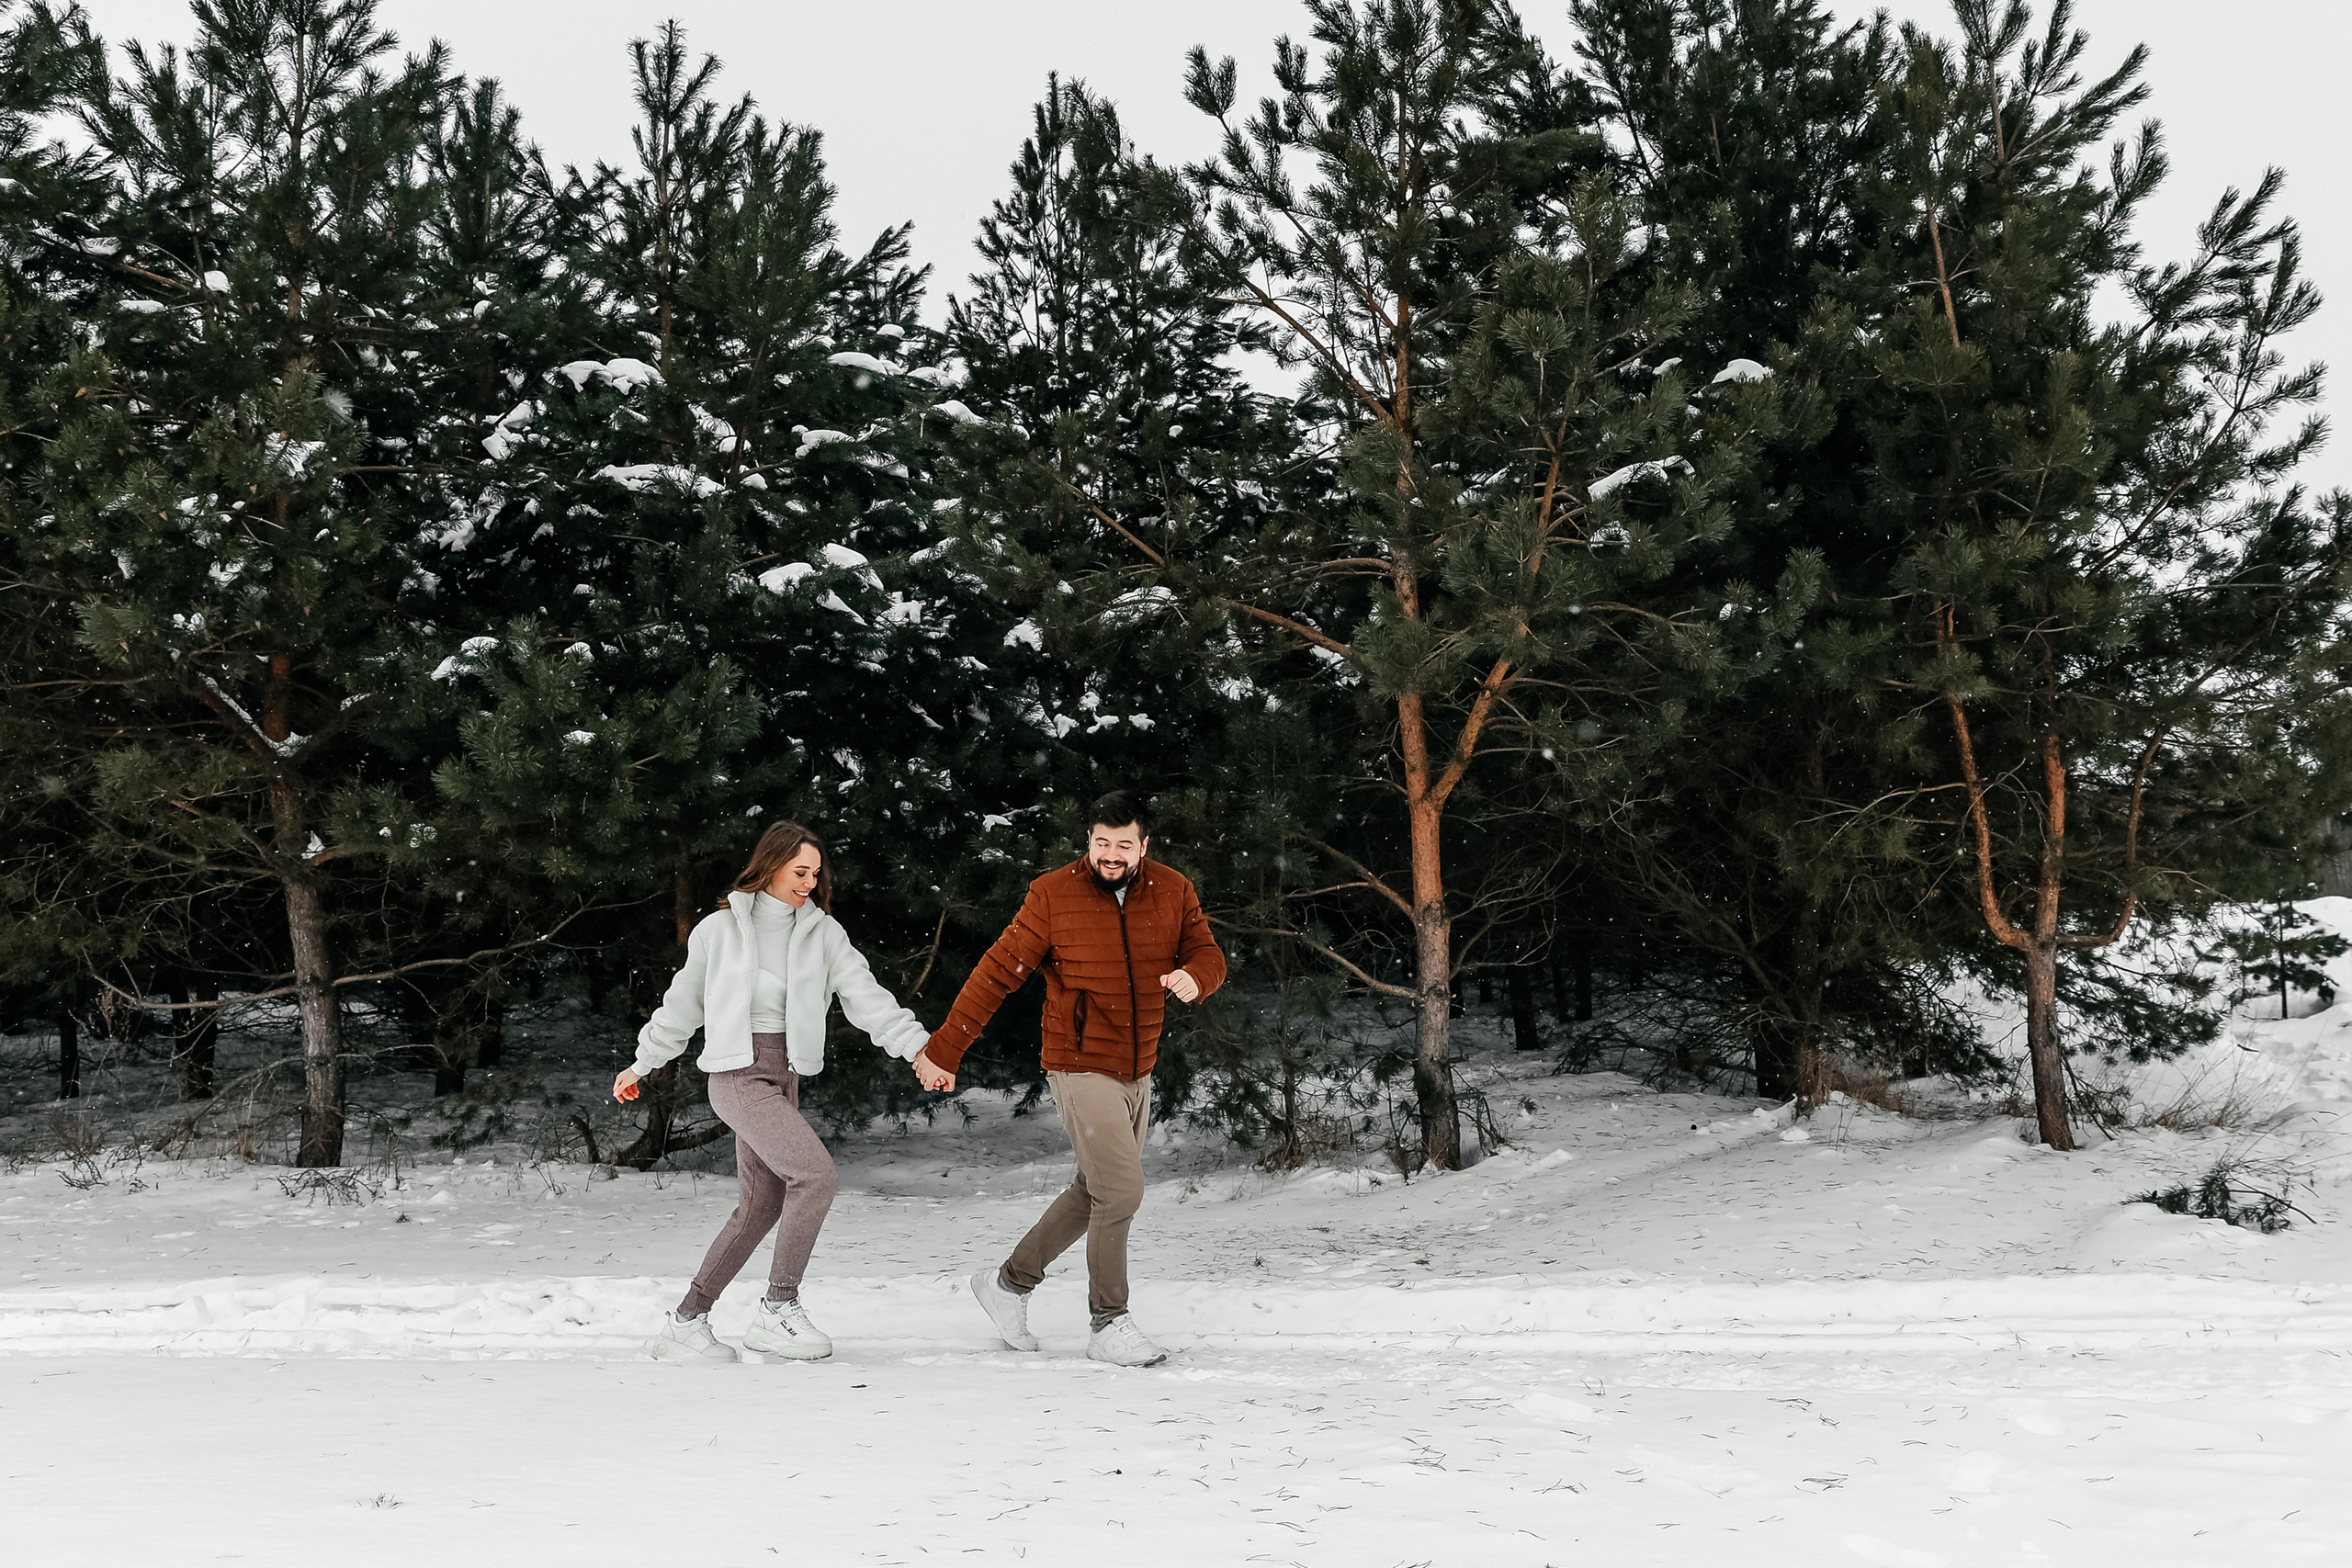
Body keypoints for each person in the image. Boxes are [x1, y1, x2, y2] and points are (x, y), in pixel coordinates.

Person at [911, 790, 1226, 1367]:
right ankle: (1109, 1322)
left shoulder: (1174, 889)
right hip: (1078, 1062)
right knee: (1123, 1190)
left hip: (1138, 1064)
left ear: (1143, 845)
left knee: (1095, 1191)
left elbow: (1208, 952)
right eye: (1101, 843)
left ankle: (1006, 1286)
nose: (1111, 855)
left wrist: (1194, 977)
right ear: (1088, 842)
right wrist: (945, 1049)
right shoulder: (1053, 894)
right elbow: (996, 974)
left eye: (1123, 845)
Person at [614, 820, 930, 1365]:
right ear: (771, 865)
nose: (808, 882)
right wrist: (643, 1062)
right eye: (798, 871)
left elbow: (868, 999)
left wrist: (920, 1050)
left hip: (786, 1076)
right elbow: (682, 1005)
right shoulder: (718, 930)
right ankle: (779, 1309)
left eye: (815, 873)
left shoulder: (823, 934)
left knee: (761, 1204)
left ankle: (686, 1323)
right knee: (815, 1176)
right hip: (738, 1075)